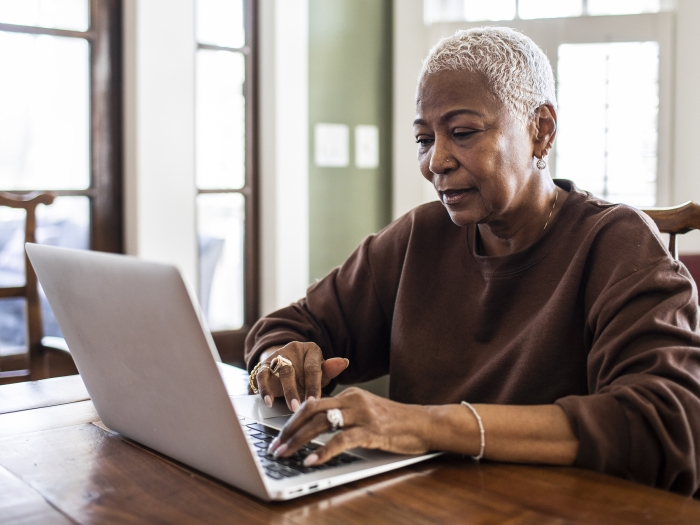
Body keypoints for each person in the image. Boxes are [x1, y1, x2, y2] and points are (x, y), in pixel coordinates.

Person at [244, 27, 700, 496]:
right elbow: (288, 326)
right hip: (429, 503)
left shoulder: (617, 243)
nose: (436, 161)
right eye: (424, 139)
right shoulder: (421, 236)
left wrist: (426, 425)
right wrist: (281, 358)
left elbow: (665, 423)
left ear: (540, 129)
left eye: (462, 133)